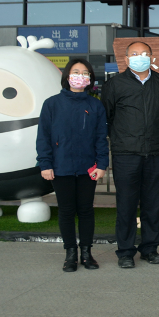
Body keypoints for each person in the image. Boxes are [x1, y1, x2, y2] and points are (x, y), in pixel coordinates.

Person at [101, 41, 159, 269]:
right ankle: (125, 251)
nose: (139, 57)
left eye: (144, 53)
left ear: (151, 57)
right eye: (134, 53)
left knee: (152, 203)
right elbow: (107, 116)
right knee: (126, 204)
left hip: (155, 152)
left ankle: (150, 249)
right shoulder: (115, 84)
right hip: (126, 153)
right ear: (126, 58)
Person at [37, 59, 108, 272]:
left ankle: (86, 253)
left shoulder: (95, 105)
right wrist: (45, 164)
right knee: (66, 211)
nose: (80, 76)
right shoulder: (52, 104)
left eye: (85, 73)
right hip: (61, 167)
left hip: (88, 168)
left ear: (90, 79)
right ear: (67, 76)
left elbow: (100, 138)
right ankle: (70, 254)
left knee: (86, 210)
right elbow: (44, 137)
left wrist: (102, 164)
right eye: (76, 72)